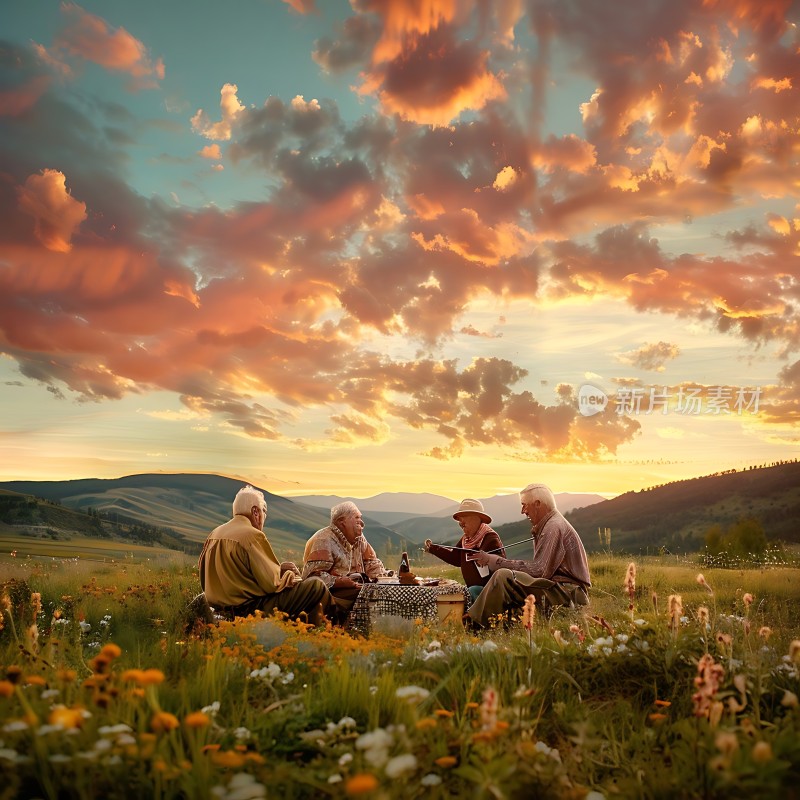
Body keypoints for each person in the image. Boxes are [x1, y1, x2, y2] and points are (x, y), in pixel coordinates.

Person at [199, 485, 331, 624]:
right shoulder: (252, 535)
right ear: (255, 512)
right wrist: (290, 574)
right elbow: (271, 584)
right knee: (316, 586)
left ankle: (311, 628)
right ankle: (336, 627)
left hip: (219, 609)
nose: (264, 516)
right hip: (249, 610)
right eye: (264, 511)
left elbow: (205, 578)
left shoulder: (214, 534)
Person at [466, 483, 591, 628]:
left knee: (503, 576)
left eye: (524, 505)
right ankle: (486, 621)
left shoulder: (553, 527)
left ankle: (474, 624)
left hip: (569, 594)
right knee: (507, 580)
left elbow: (540, 571)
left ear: (537, 504)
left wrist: (496, 561)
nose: (522, 511)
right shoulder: (551, 524)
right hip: (562, 590)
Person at [303, 501, 391, 624]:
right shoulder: (323, 540)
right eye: (357, 518)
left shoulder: (359, 538)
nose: (362, 523)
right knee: (375, 596)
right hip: (333, 595)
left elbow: (372, 562)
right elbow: (312, 578)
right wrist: (340, 582)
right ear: (341, 522)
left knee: (387, 592)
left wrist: (384, 577)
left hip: (358, 587)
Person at [424, 499, 506, 604]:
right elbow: (455, 558)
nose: (461, 523)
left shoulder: (490, 537)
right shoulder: (466, 539)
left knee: (471, 591)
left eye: (464, 518)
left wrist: (487, 559)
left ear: (476, 518)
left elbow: (501, 565)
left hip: (489, 591)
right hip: (472, 590)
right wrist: (433, 548)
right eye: (459, 519)